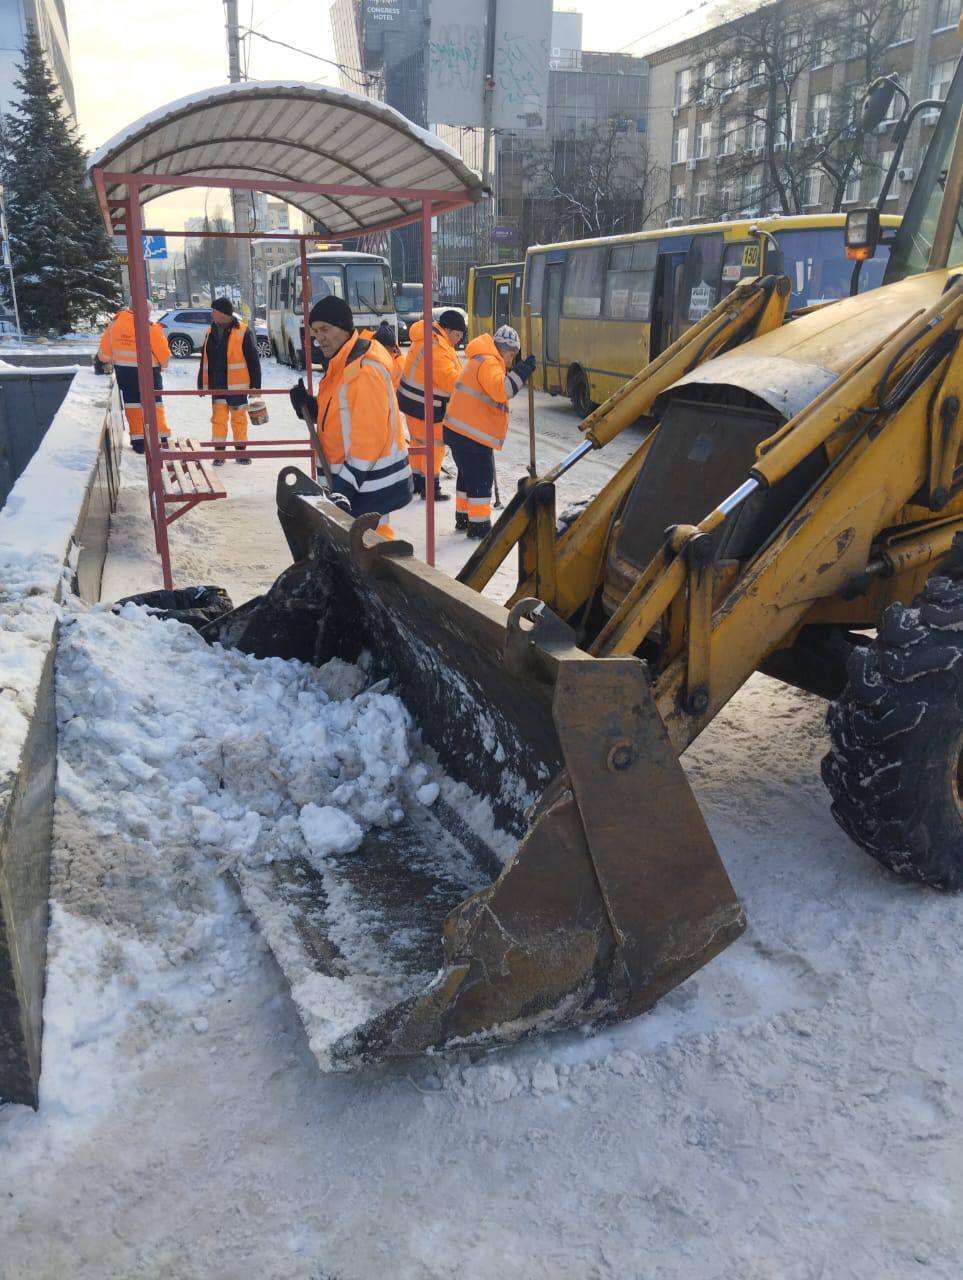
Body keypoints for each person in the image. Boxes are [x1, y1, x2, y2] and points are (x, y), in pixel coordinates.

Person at [288, 295, 412, 537]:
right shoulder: (341, 364)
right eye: (314, 331)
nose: (319, 337)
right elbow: (342, 415)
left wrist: (345, 488)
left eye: (325, 329)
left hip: (370, 486)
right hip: (354, 484)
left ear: (344, 329)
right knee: (360, 551)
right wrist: (311, 408)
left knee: (371, 549)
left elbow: (369, 439)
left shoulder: (363, 371)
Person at [443, 324, 536, 539]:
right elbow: (502, 390)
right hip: (470, 434)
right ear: (506, 351)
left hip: (460, 430)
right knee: (481, 479)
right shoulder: (489, 362)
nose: (511, 361)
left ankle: (464, 517)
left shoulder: (480, 358)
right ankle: (479, 527)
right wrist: (522, 372)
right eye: (512, 356)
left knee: (467, 477)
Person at [398, 309, 466, 503]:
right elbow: (449, 380)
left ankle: (418, 481)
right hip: (425, 405)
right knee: (435, 445)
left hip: (413, 402)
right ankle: (431, 488)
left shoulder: (431, 339)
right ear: (448, 329)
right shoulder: (436, 346)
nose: (459, 340)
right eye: (458, 335)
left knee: (419, 442)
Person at [98, 306, 172, 454]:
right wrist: (162, 365)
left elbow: (104, 354)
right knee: (154, 403)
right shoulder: (149, 326)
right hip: (149, 372)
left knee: (132, 404)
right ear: (147, 311)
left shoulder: (115, 324)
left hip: (124, 372)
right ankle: (160, 437)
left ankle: (139, 441)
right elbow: (163, 354)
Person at [197, 297, 261, 465]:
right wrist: (201, 384)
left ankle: (241, 452)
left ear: (223, 313)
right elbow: (204, 359)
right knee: (218, 420)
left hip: (237, 387)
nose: (211, 314)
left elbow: (253, 360)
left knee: (239, 420)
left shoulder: (243, 331)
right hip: (217, 385)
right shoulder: (210, 331)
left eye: (214, 311)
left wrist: (256, 386)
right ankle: (219, 453)